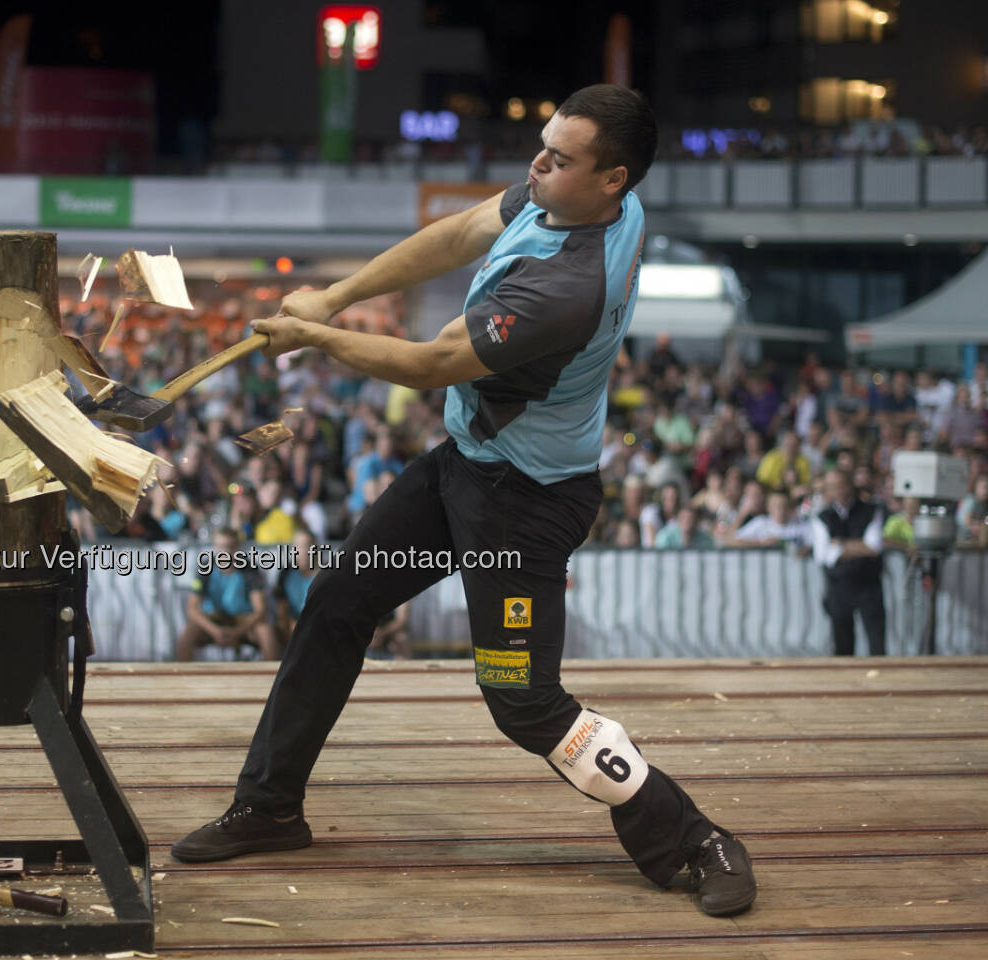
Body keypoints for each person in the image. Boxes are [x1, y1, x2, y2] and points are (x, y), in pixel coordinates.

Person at [170, 85, 756, 918]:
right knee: (338, 598)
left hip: (523, 506)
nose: (537, 164)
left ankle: (695, 839)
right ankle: (268, 807)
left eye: (560, 158)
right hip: (469, 467)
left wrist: (318, 335)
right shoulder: (577, 200)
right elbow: (457, 233)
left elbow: (432, 364)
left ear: (613, 180)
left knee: (523, 703)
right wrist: (333, 296)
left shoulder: (569, 285)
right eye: (543, 144)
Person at [811, 469, 886, 656]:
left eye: (841, 485)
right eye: (832, 487)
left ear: (850, 485)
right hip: (839, 587)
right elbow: (823, 555)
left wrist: (840, 544)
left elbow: (874, 546)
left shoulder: (871, 510)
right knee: (843, 648)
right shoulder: (822, 517)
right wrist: (860, 547)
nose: (838, 490)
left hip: (869, 584)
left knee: (877, 644)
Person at [176, 527, 278, 661]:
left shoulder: (250, 570)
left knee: (266, 632)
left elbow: (260, 610)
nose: (225, 552)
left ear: (238, 548)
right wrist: (215, 631)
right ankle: (183, 678)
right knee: (188, 633)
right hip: (214, 620)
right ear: (214, 548)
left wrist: (237, 632)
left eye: (230, 547)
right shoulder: (205, 567)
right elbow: (192, 609)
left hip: (243, 621)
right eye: (220, 547)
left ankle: (271, 679)